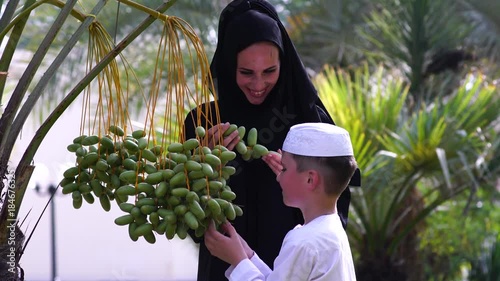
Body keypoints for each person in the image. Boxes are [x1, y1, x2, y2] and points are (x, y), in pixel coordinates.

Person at [182, 0, 360, 280]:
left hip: (296, 264)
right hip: (223, 266)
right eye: (246, 73)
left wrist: (300, 185)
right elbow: (189, 216)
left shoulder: (308, 121)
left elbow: (333, 210)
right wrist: (202, 168)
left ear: (284, 65)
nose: (257, 85)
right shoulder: (203, 123)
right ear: (229, 67)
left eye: (269, 71)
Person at [204, 122, 358, 280]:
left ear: (310, 180)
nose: (279, 176)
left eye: (284, 168)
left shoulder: (304, 242)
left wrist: (238, 260)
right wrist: (248, 256)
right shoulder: (329, 230)